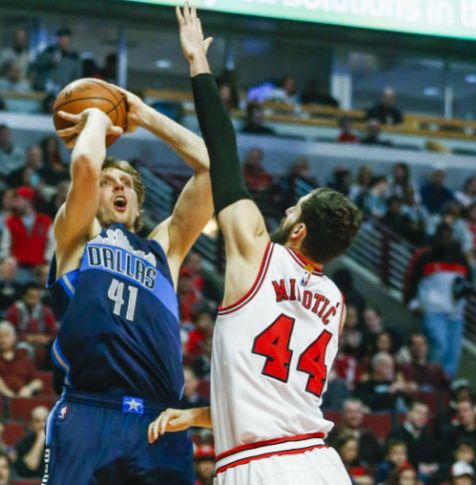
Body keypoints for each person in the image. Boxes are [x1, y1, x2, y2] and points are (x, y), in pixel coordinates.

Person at [147, 6, 362, 485]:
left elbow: (222, 150)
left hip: (259, 467)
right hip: (320, 462)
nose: (285, 213)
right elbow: (276, 396)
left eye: (294, 209)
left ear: (301, 229)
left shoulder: (258, 252)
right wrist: (200, 416)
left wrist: (197, 65)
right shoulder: (335, 302)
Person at [39, 39, 216, 483]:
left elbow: (213, 170)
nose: (118, 186)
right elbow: (83, 164)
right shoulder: (77, 233)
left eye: (128, 184)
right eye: (109, 181)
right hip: (89, 410)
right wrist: (99, 114)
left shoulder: (164, 249)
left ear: (137, 204)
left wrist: (140, 112)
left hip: (160, 421)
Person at [403, 224, 472, 377]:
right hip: (433, 310)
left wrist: (463, 301)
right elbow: (410, 278)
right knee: (439, 345)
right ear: (437, 235)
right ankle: (431, 380)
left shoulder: (461, 258)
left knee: (453, 352)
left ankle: (446, 386)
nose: (446, 238)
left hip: (456, 313)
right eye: (443, 234)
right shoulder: (425, 256)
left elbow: (468, 283)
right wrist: (411, 302)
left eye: (449, 234)